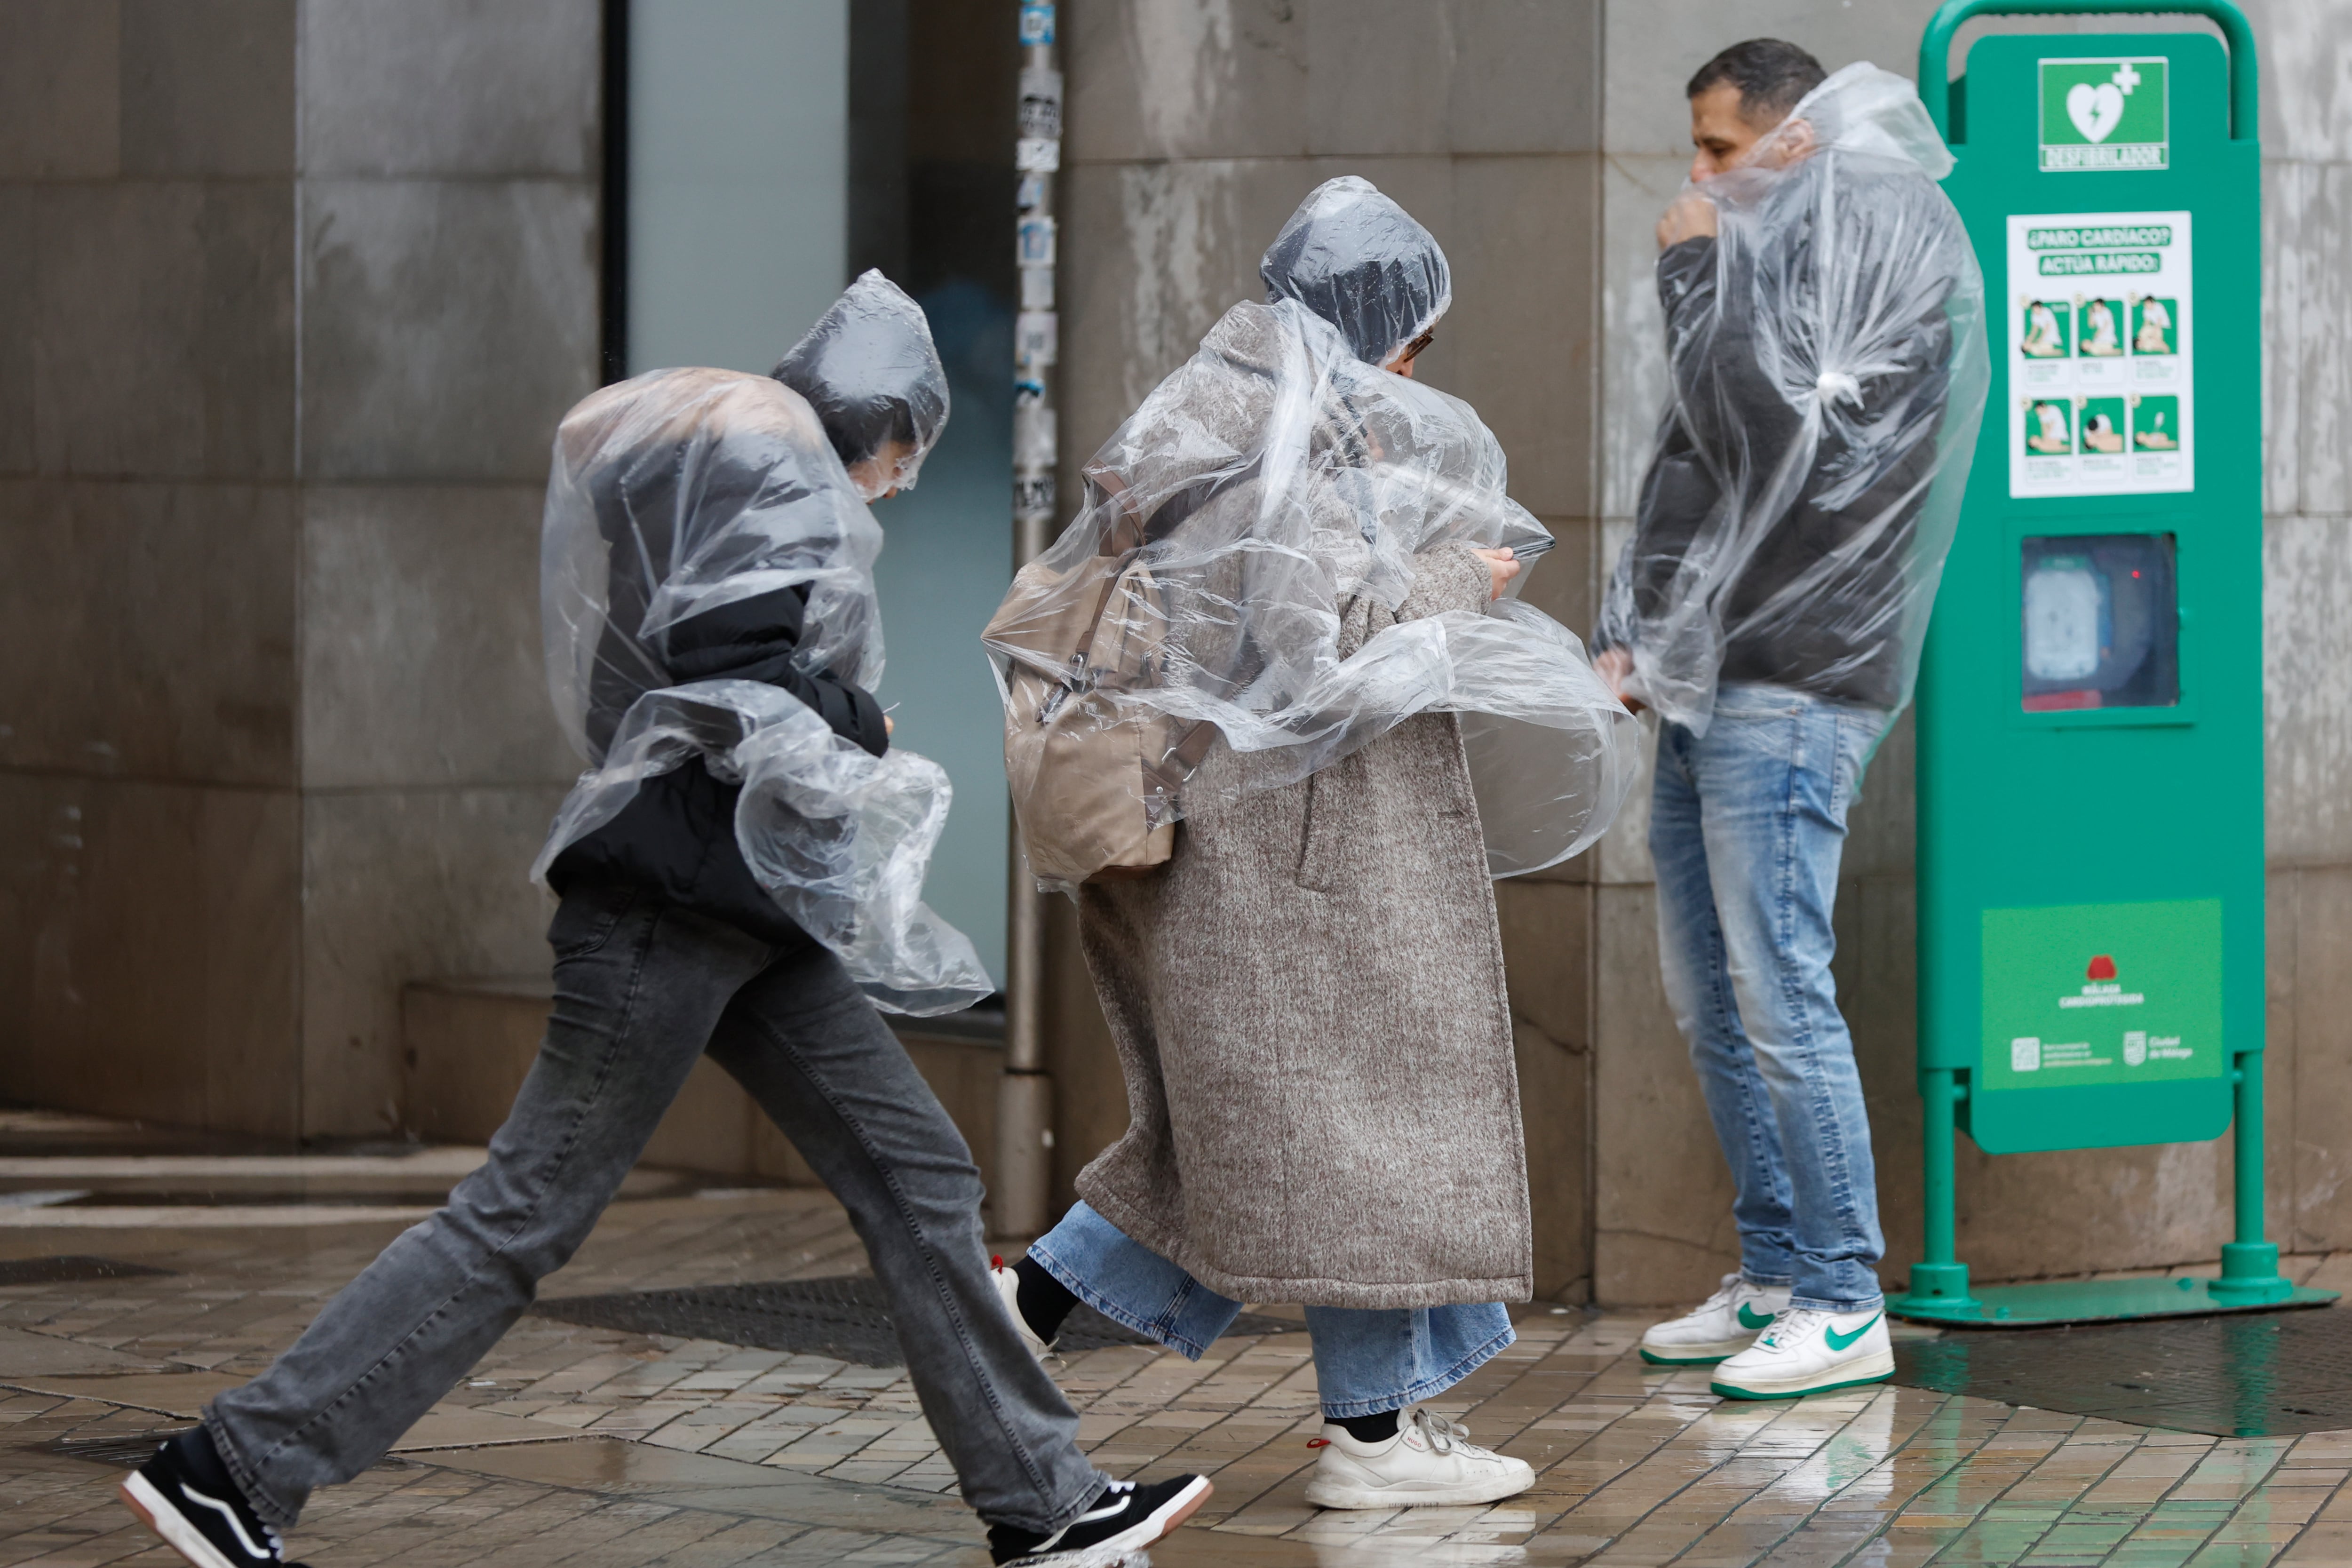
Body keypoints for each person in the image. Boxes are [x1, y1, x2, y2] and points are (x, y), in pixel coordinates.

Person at [119, 272, 1209, 1568]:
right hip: (673, 912)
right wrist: (860, 726)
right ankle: (234, 1468)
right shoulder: (775, 476)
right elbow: (729, 671)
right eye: (910, 448)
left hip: (744, 910)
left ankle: (1043, 1502)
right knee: (525, 1214)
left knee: (918, 1176)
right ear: (883, 420)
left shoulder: (719, 473)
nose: (904, 479)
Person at [983, 178, 1636, 1507]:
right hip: (1292, 856)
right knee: (1361, 1130)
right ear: (1364, 317)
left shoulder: (1224, 410)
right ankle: (1376, 1443)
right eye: (1412, 335)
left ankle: (1031, 1313)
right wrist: (1472, 582)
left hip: (1256, 844)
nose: (1415, 366)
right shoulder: (1273, 438)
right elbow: (1313, 656)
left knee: (1273, 1139)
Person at [1592, 42, 1986, 1398]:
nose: (1695, 175)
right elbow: (1693, 465)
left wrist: (1692, 268)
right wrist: (1632, 625)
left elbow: (1770, 438)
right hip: (1711, 671)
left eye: (1717, 147)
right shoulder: (1773, 264)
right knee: (1713, 995)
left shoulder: (1867, 267)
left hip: (1796, 680)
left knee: (1781, 992)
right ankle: (1773, 1273)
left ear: (1793, 142)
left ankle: (1842, 1296)